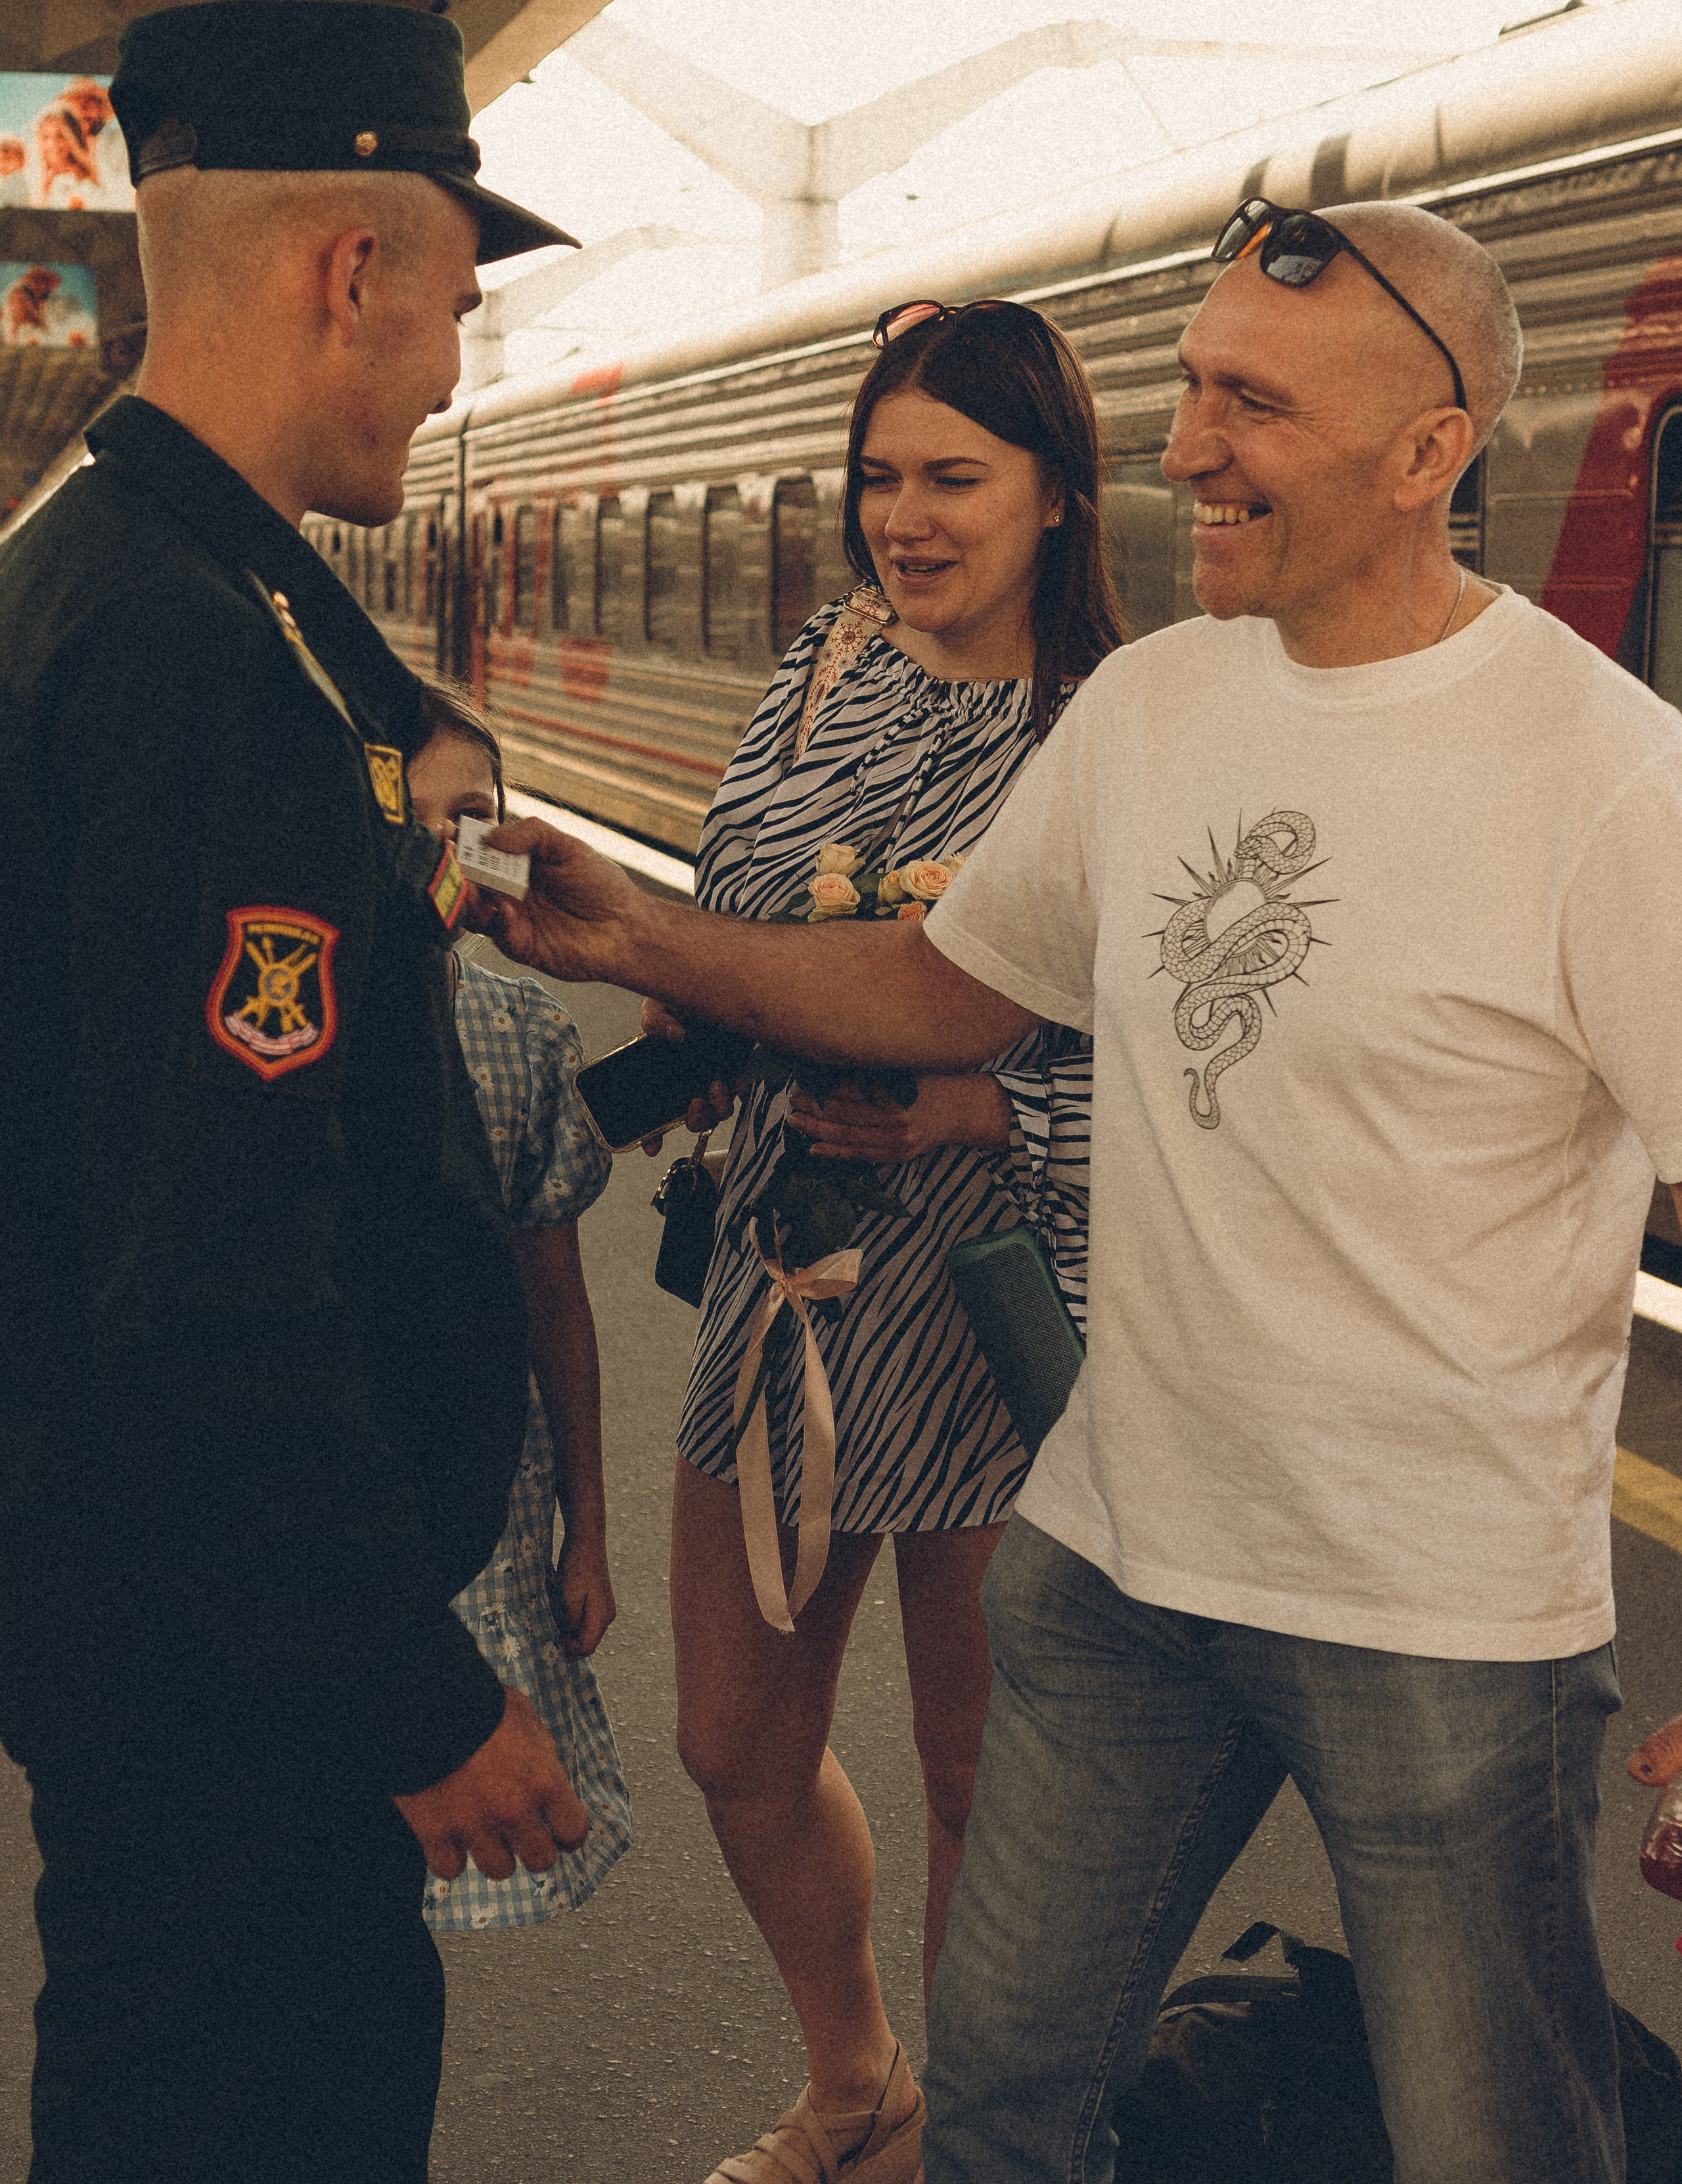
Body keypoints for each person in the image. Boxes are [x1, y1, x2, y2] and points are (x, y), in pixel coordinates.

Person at [475, 195, 1682, 2184]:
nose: (1188, 444)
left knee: (1499, 2148)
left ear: (1430, 452)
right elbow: (950, 981)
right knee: (1014, 2118)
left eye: (1255, 405)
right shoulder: (1160, 706)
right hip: (1119, 1566)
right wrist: (651, 946)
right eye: (1192, 386)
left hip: (1443, 1626)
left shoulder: (1606, 781)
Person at [0, 0, 588, 2184]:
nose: (452, 368)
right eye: (444, 307)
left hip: (146, 1614)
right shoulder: (193, 663)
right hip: (227, 1662)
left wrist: (429, 820)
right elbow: (215, 1281)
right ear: (352, 274)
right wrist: (413, 1695)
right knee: (247, 2112)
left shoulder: (111, 579)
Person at [647, 299, 1121, 2184]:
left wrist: (986, 1102)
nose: (904, 518)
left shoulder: (1112, 728)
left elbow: (1192, 1048)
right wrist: (703, 1024)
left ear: (1058, 498)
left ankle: (983, 2152)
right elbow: (739, 904)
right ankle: (860, 2080)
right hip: (792, 1264)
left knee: (979, 1785)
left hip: (1007, 1287)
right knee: (732, 1741)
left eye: (953, 479)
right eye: (879, 478)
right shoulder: (819, 669)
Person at [405, 679, 631, 1936]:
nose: (445, 851)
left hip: (497, 1490)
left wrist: (586, 1530)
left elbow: (560, 1301)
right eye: (413, 819)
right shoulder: (294, 1026)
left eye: (473, 819)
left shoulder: (520, 1031)